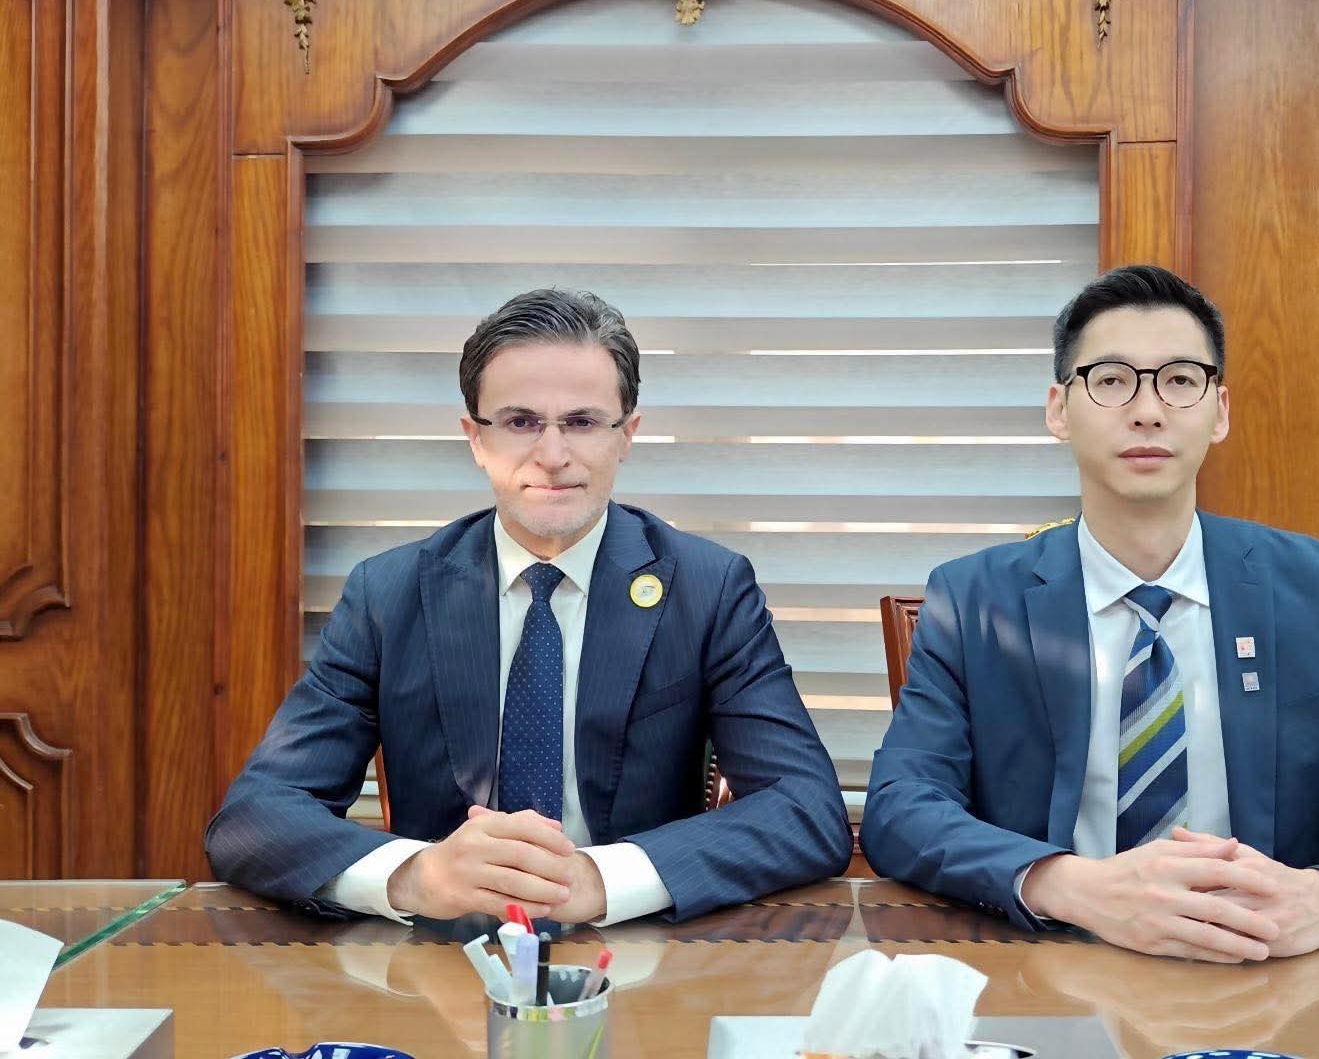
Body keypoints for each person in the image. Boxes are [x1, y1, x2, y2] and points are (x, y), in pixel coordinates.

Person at [860, 264, 1319, 961]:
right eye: (1110, 380)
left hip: (1263, 966)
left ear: (1219, 411)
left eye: (1180, 380)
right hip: (1054, 965)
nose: (1148, 410)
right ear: (1058, 409)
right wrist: (1070, 886)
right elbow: (901, 807)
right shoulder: (975, 600)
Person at [207, 289, 853, 925]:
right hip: (443, 956)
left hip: (635, 949)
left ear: (626, 436)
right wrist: (415, 876)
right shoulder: (389, 594)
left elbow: (806, 809)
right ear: (475, 438)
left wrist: (602, 879)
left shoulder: (708, 589)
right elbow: (254, 817)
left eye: (582, 422)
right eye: (520, 422)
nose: (552, 456)